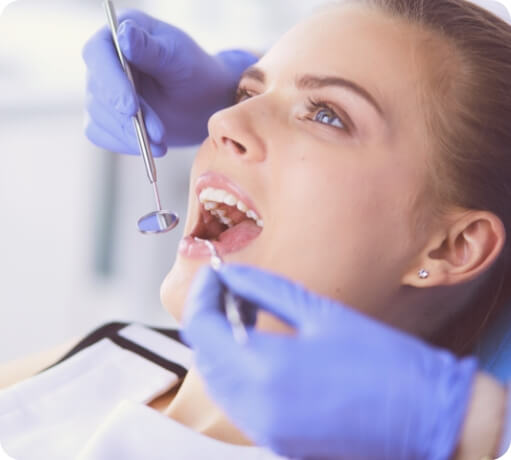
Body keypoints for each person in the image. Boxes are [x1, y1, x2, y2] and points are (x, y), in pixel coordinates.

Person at [1, 0, 511, 459]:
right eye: (247, 89)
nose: (223, 120)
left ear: (452, 247)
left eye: (327, 115)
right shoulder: (118, 349)